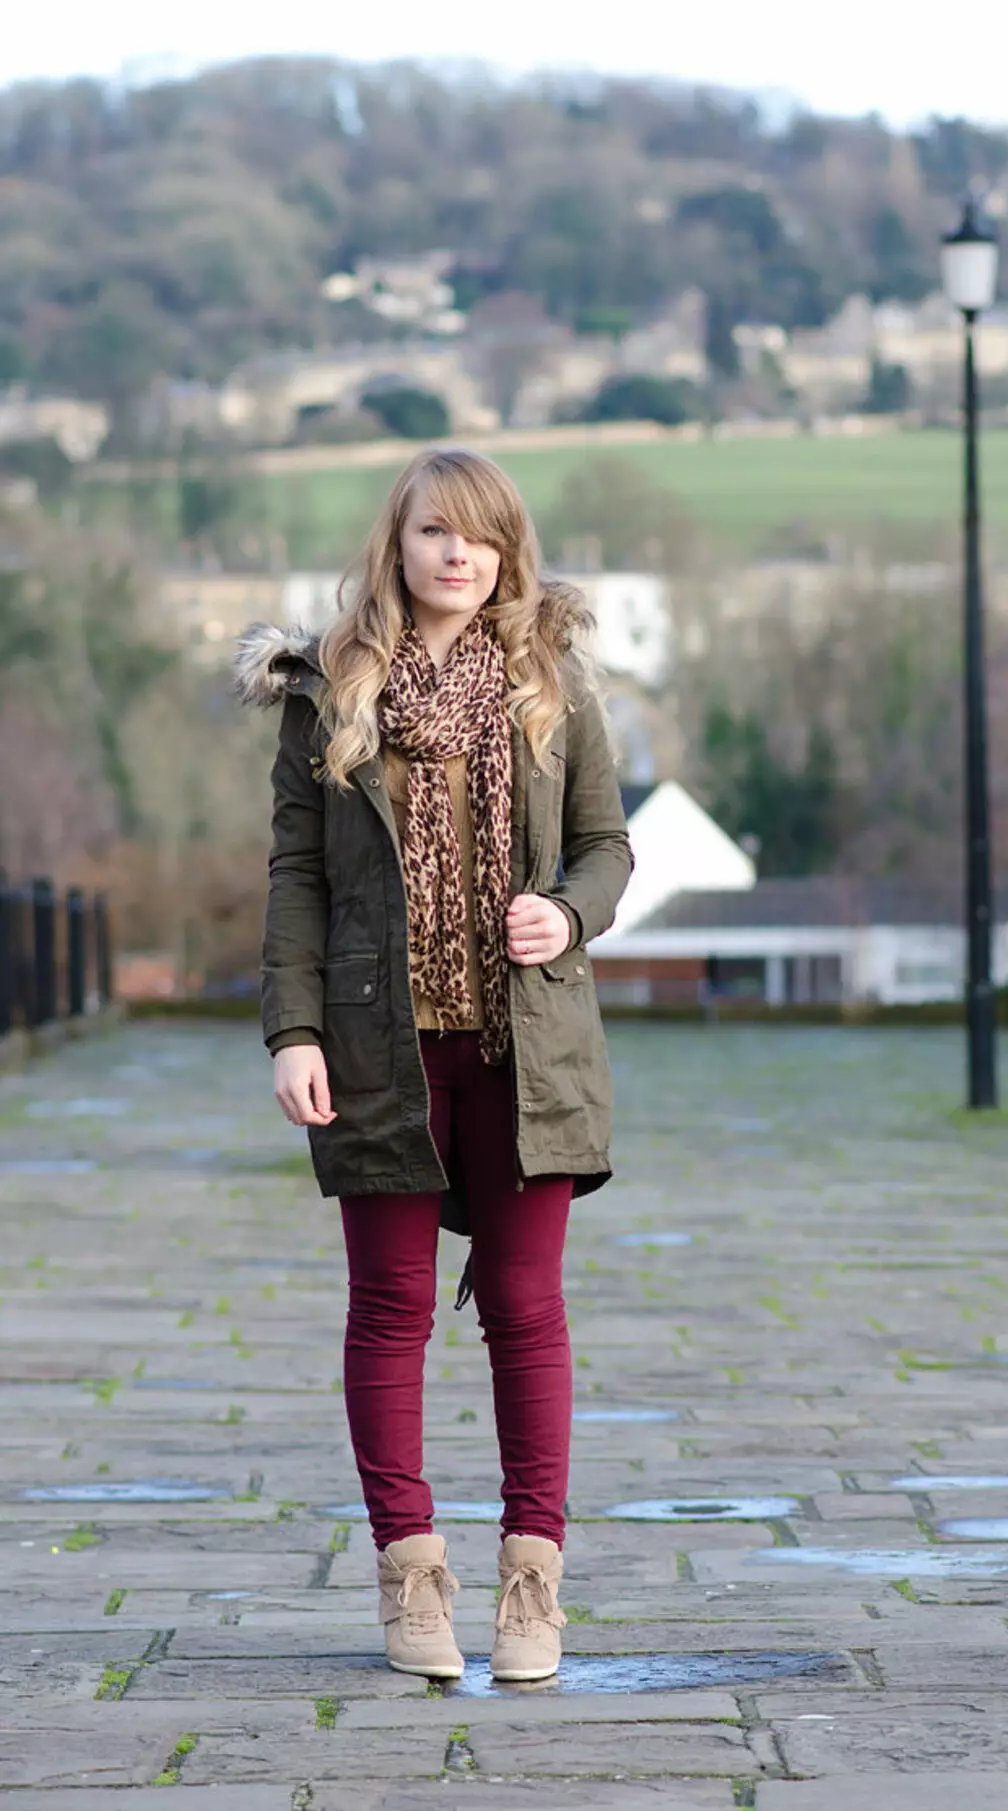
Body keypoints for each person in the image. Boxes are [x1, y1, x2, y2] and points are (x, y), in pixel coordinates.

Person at [233, 447, 632, 1683]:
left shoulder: (554, 681)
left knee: (524, 1309)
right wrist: (291, 1030)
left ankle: (531, 1584)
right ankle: (412, 1576)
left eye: (484, 537)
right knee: (393, 1308)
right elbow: (297, 876)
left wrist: (566, 914)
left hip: (530, 1048)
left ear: (508, 551)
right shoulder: (326, 694)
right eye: (435, 532)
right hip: (375, 1045)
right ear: (395, 544)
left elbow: (607, 847)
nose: (460, 555)